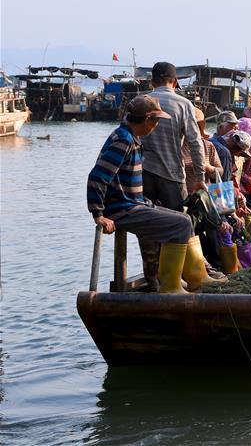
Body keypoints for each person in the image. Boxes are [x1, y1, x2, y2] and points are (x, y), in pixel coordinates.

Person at [86, 95, 194, 294]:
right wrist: (98, 214)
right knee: (182, 225)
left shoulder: (130, 137)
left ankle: (183, 278)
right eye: (156, 121)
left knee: (184, 218)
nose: (156, 126)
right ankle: (170, 286)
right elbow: (97, 177)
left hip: (134, 203)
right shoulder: (124, 140)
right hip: (122, 208)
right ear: (147, 120)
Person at [138, 62, 206, 286]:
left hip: (143, 175)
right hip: (172, 175)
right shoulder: (183, 104)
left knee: (147, 225)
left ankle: (152, 278)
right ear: (175, 82)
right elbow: (196, 144)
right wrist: (200, 178)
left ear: (152, 82)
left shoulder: (141, 102)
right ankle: (175, 279)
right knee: (179, 224)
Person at [183, 107, 224, 188]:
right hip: (182, 194)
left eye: (194, 126)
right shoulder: (177, 145)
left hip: (202, 195)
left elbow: (220, 171)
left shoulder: (208, 146)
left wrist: (209, 168)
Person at [209, 111, 239, 183]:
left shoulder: (209, 141)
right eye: (232, 127)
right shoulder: (223, 150)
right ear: (221, 127)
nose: (235, 131)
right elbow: (225, 182)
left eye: (236, 127)